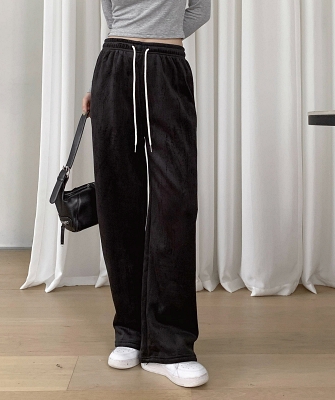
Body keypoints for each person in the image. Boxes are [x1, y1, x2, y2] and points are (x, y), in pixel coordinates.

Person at [81, 0, 211, 388]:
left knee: (176, 205)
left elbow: (200, 10)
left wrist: (158, 36)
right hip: (115, 67)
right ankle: (130, 332)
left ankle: (170, 346)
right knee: (118, 200)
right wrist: (115, 70)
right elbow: (111, 13)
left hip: (167, 68)